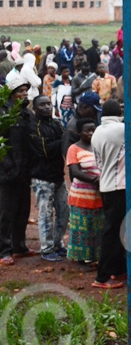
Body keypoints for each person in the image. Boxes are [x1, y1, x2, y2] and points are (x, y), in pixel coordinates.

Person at [91, 100, 127, 289]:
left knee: (116, 230)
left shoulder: (97, 132)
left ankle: (119, 268)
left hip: (106, 186)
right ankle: (102, 277)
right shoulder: (121, 129)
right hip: (119, 186)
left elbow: (99, 163)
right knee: (113, 233)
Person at [27, 95, 68, 262]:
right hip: (42, 178)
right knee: (45, 214)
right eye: (42, 105)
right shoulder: (33, 127)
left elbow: (66, 143)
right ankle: (46, 248)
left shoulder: (56, 124)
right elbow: (45, 150)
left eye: (48, 104)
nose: (46, 107)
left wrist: (60, 142)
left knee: (64, 211)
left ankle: (58, 243)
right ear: (35, 108)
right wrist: (61, 142)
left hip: (58, 176)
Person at [0, 78, 34, 266]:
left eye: (26, 90)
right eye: (21, 90)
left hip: (24, 171)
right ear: (12, 93)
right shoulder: (4, 114)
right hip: (8, 173)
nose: (24, 94)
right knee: (6, 213)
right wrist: (8, 165)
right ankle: (4, 250)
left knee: (23, 211)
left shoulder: (26, 114)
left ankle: (19, 246)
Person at [65, 118, 103, 264]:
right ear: (80, 132)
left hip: (98, 195)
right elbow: (75, 171)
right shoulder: (73, 148)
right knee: (82, 228)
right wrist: (95, 180)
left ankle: (95, 256)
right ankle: (81, 258)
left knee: (97, 227)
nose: (91, 133)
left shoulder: (98, 146)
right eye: (87, 130)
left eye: (93, 130)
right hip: (81, 196)